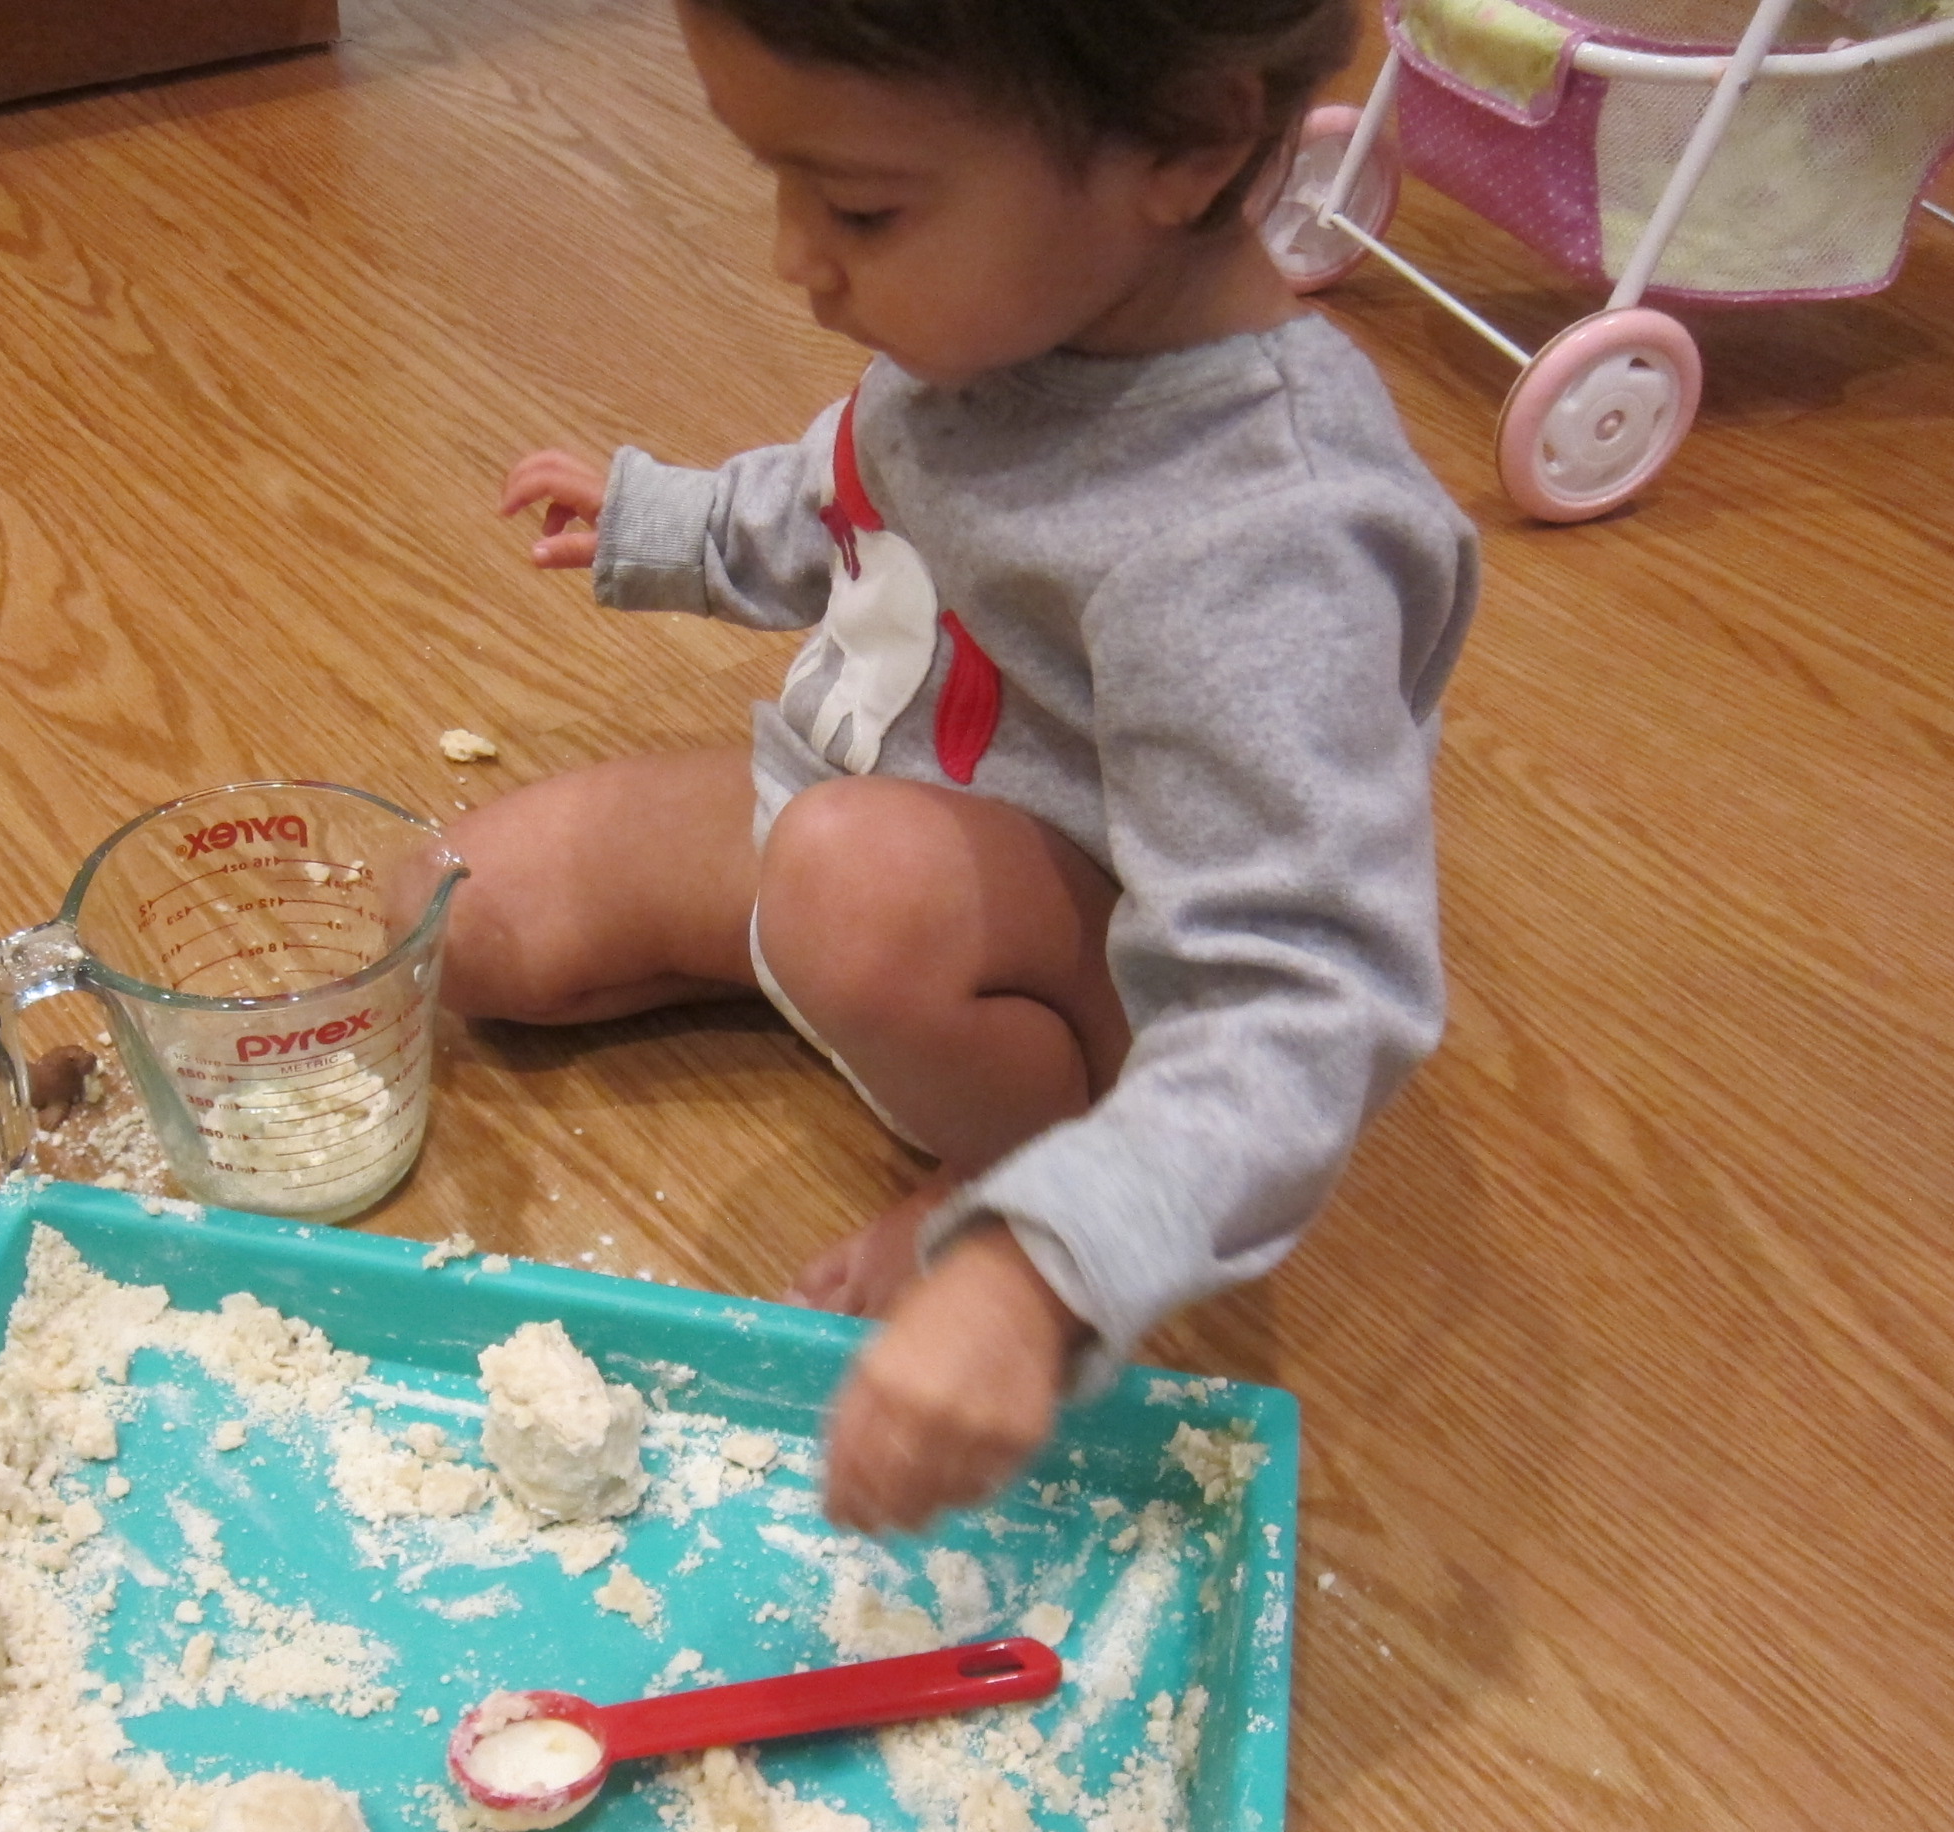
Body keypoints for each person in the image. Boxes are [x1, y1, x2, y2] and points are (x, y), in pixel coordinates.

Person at [443, 0, 1478, 1536]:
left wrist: (1039, 1272)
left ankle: (1016, 1152)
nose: (798, 258)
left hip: (1083, 963)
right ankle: (851, 977)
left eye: (858, 205)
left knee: (850, 889)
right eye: (776, 180)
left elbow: (1305, 994)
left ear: (1188, 144)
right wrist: (676, 523)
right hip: (870, 805)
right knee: (468, 914)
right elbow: (863, 483)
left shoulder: (1265, 541)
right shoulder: (1015, 314)